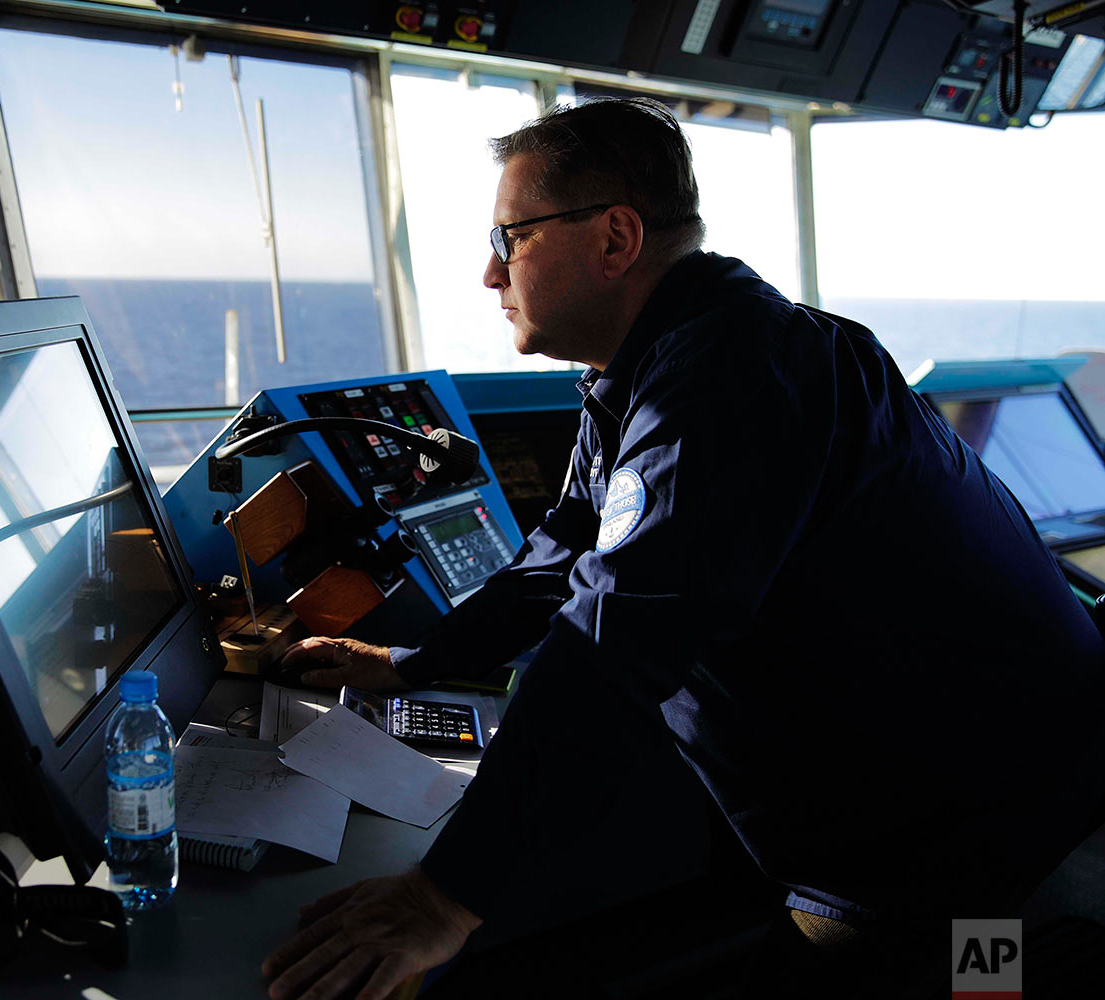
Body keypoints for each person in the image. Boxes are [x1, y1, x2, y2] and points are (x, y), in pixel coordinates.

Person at [260, 97, 1105, 999]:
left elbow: (611, 639)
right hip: (948, 812)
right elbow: (565, 552)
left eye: (511, 238)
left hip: (1000, 857)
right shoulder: (661, 361)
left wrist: (445, 897)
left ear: (616, 238)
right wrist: (413, 661)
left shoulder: (730, 377)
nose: (487, 272)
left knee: (965, 985)